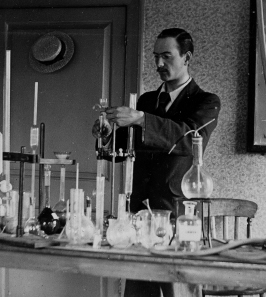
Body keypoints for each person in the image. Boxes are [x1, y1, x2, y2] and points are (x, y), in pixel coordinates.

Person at [93, 28, 220, 297]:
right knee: (137, 291)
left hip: (176, 212)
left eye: (166, 56)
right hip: (138, 211)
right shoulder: (147, 101)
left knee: (178, 289)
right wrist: (106, 136)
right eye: (155, 57)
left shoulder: (206, 102)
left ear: (186, 57)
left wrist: (140, 119)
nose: (159, 64)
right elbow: (124, 147)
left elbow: (188, 138)